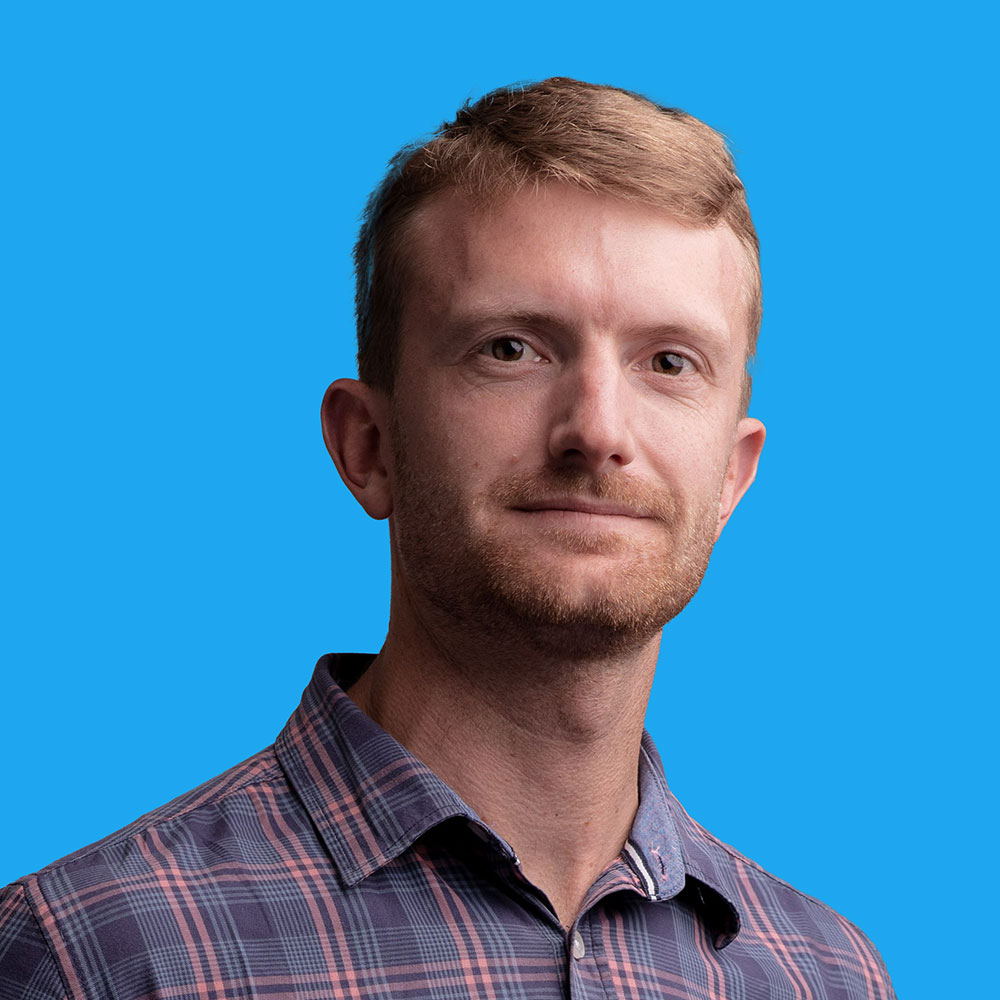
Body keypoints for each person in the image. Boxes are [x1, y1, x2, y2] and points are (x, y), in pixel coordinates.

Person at [0, 78, 895, 999]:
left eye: (669, 362)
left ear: (732, 478)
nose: (597, 430)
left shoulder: (826, 977)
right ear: (368, 446)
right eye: (511, 348)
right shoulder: (92, 957)